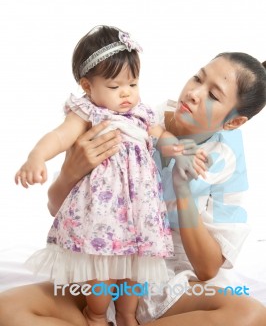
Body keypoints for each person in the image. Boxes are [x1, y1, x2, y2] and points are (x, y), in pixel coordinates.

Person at [1, 52, 266, 326]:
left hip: (172, 283)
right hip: (105, 269)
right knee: (6, 310)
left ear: (234, 122)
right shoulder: (134, 119)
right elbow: (58, 208)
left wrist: (181, 188)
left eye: (213, 95)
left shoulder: (228, 161)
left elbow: (208, 268)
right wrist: (70, 171)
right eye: (197, 78)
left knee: (251, 316)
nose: (193, 93)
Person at [14, 25, 206, 326]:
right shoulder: (87, 112)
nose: (127, 93)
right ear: (88, 86)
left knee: (135, 271)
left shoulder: (142, 114)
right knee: (100, 273)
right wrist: (36, 157)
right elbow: (59, 136)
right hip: (102, 216)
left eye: (133, 83)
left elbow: (162, 136)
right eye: (115, 87)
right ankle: (96, 314)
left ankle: (129, 316)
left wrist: (181, 150)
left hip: (139, 212)